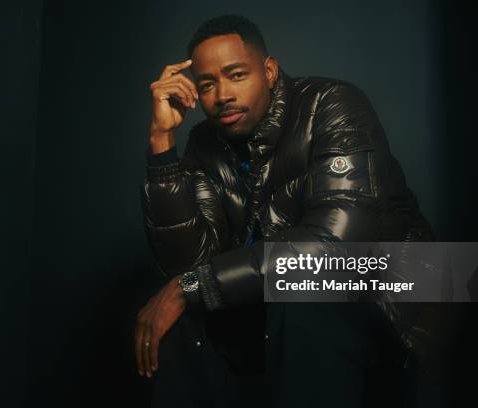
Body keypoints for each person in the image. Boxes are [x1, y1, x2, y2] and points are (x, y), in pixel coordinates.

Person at [136, 14, 443, 408]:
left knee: (297, 289)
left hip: (394, 294)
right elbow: (187, 266)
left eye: (236, 75)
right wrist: (162, 145)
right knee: (174, 320)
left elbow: (332, 245)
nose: (222, 94)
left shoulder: (331, 105)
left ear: (268, 70)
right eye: (208, 84)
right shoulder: (203, 143)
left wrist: (192, 286)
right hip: (279, 311)